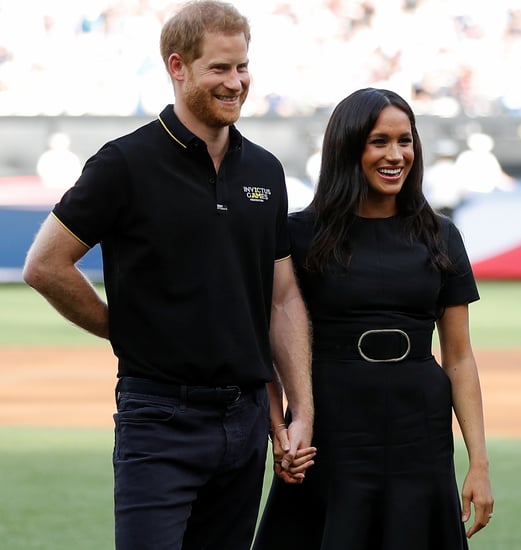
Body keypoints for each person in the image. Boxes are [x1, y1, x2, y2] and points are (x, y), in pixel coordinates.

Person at [22, 2, 313, 549]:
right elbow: (44, 265)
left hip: (246, 420)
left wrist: (302, 410)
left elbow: (283, 297)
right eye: (219, 69)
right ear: (177, 67)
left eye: (242, 67)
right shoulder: (125, 163)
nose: (236, 83)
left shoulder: (265, 171)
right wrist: (122, 328)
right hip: (159, 418)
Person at [253, 87, 494, 550]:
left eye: (405, 141)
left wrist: (478, 463)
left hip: (419, 429)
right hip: (330, 428)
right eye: (379, 141)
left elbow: (460, 358)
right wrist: (279, 431)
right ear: (348, 147)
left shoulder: (442, 235)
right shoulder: (296, 235)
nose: (396, 155)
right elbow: (265, 345)